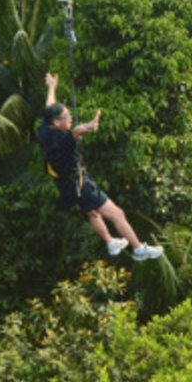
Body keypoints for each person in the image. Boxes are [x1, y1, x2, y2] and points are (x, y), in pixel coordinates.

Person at [37, 73, 164, 261]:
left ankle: (110, 243)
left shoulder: (45, 129)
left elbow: (49, 106)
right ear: (57, 122)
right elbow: (78, 130)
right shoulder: (63, 138)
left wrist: (52, 87)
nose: (70, 117)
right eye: (67, 116)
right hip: (79, 183)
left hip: (64, 185)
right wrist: (91, 125)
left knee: (92, 212)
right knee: (117, 214)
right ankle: (139, 249)